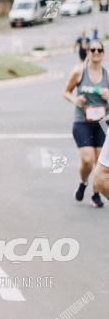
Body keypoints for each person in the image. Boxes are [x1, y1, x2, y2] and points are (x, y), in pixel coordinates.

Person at [63, 41, 108, 208]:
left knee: (99, 162)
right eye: (92, 49)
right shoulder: (79, 72)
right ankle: (83, 183)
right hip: (82, 121)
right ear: (88, 52)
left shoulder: (107, 75)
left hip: (102, 123)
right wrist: (75, 99)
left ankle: (96, 194)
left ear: (103, 54)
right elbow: (66, 91)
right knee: (88, 160)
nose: (96, 52)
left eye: (99, 50)